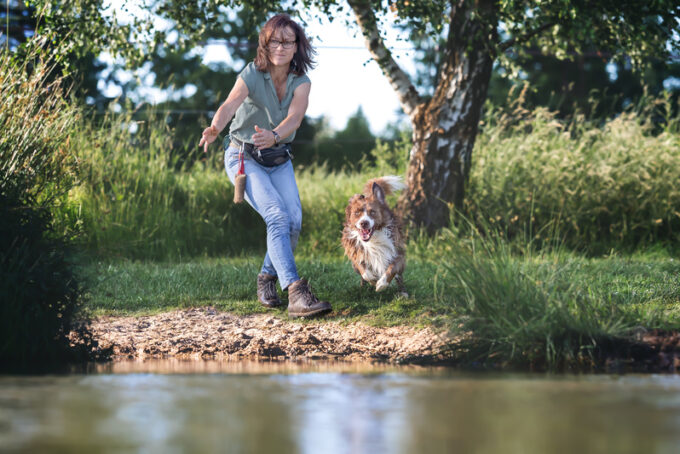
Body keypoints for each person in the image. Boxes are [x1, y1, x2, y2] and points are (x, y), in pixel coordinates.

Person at [199, 13, 331, 318]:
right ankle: (296, 293)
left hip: (278, 157)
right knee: (275, 215)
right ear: (265, 43)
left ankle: (267, 279)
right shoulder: (251, 74)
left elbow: (295, 118)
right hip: (243, 158)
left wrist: (274, 136)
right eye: (275, 40)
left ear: (297, 45)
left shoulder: (302, 82)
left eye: (287, 41)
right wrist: (215, 127)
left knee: (293, 221)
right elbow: (230, 104)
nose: (281, 47)